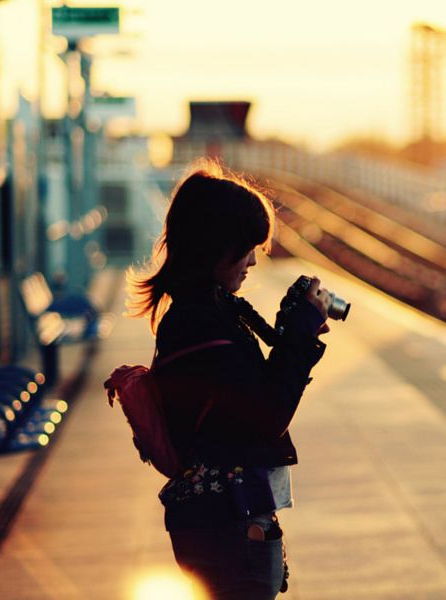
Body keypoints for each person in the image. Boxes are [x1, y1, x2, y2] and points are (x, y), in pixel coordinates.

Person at [125, 159, 330, 598]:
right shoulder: (197, 322)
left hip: (227, 522)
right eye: (246, 247)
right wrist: (297, 338)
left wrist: (293, 333)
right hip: (225, 530)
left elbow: (247, 399)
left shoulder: (207, 311)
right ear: (214, 247)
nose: (253, 260)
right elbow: (266, 413)